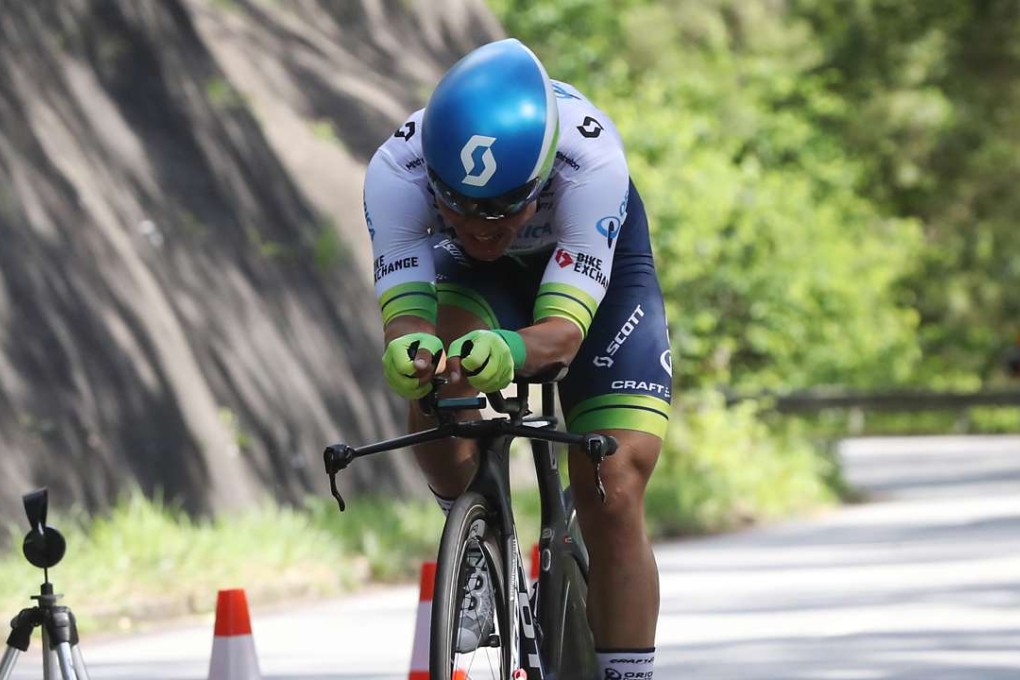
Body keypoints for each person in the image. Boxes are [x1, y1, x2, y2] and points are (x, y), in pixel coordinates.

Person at [363, 38, 670, 679]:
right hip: (482, 282)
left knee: (613, 486)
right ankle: (470, 537)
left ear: (543, 179)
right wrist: (409, 348)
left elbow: (561, 333)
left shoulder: (592, 164)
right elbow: (409, 319)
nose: (480, 229)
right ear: (432, 180)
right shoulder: (397, 169)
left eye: (504, 210)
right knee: (438, 368)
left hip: (597, 281)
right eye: (458, 207)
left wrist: (510, 347)